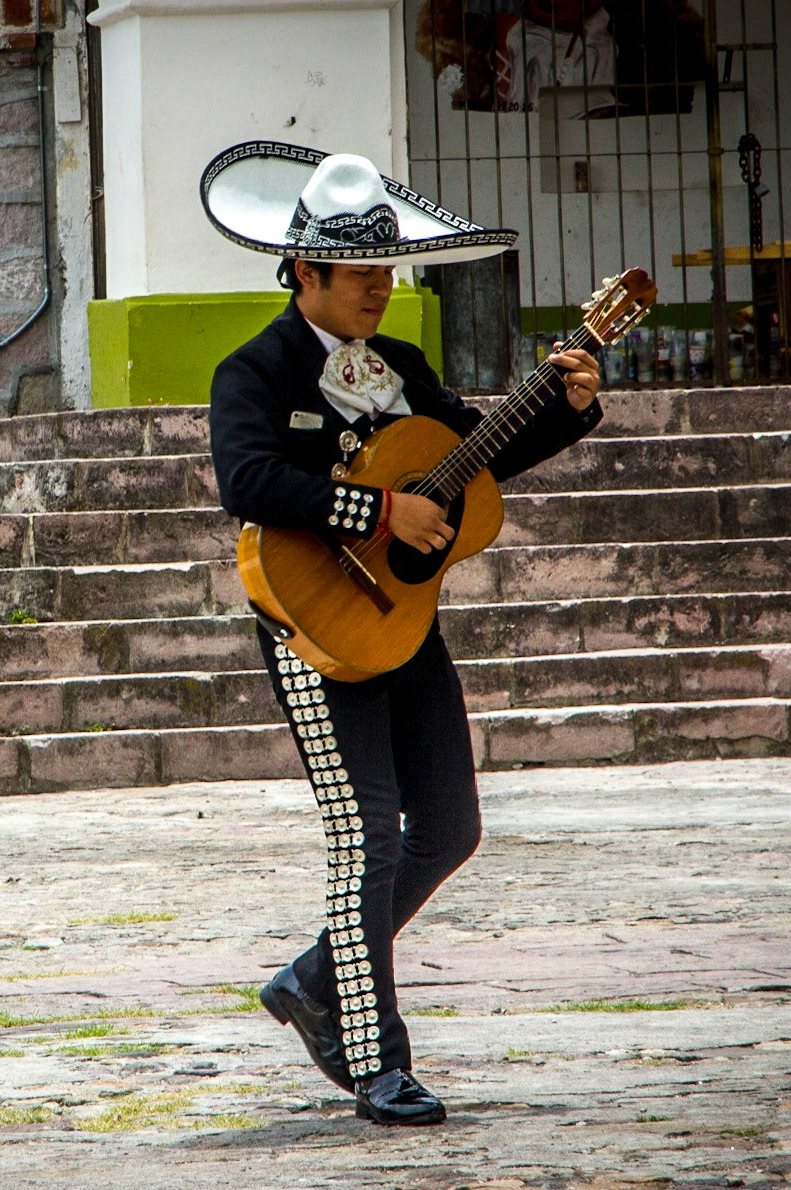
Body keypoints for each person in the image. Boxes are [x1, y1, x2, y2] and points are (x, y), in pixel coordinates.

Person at [199, 145, 603, 1125]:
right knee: (367, 836)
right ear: (305, 272)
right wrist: (378, 515)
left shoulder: (402, 370)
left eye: (388, 273)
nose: (379, 291)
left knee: (451, 826)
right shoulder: (252, 371)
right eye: (361, 276)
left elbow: (475, 454)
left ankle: (311, 976)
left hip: (403, 627)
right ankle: (380, 1068)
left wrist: (568, 406)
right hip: (310, 634)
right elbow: (248, 483)